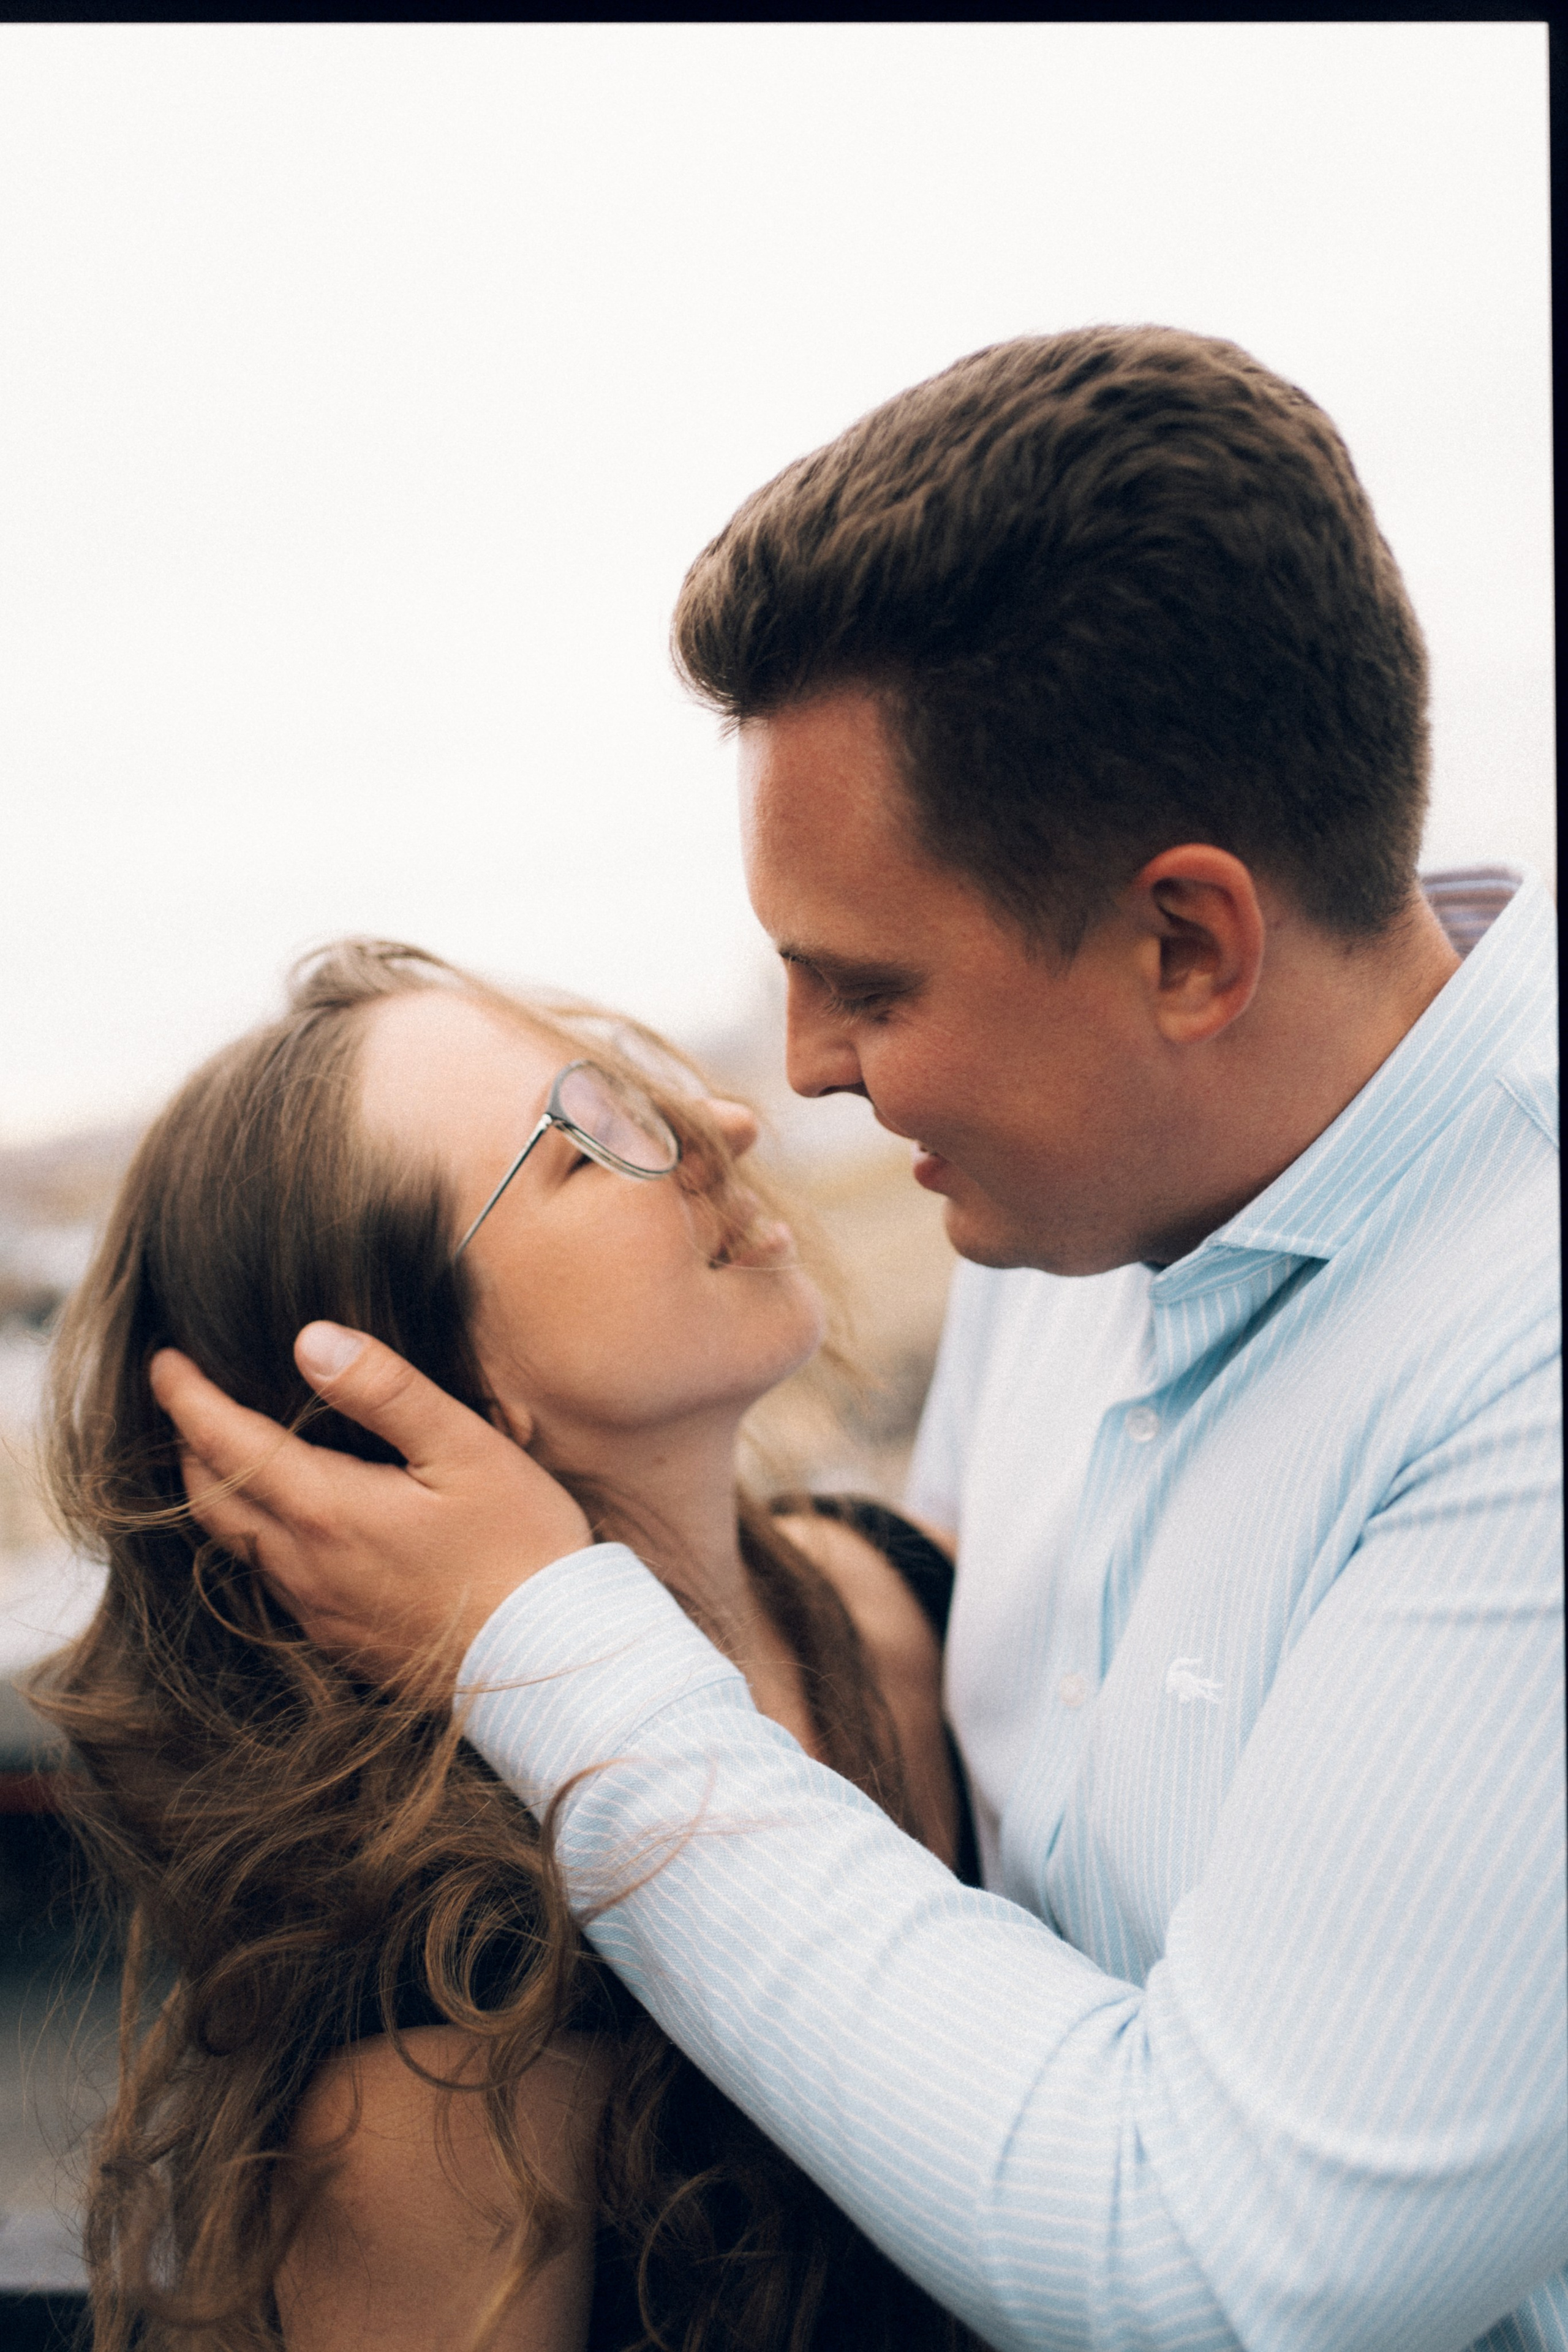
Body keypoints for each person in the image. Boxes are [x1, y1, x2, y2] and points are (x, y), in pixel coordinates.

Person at [152, 328, 1564, 2351]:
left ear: (1188, 945)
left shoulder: (1515, 1358)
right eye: (592, 1128)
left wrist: (546, 1642)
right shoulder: (1052, 1220)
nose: (785, 1081)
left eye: (868, 988)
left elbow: (1227, 2275)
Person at [37, 937, 987, 2352]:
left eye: (646, 1090)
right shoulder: (457, 1990)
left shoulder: (913, 1597)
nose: (722, 1126)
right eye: (585, 1136)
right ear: (424, 1382)